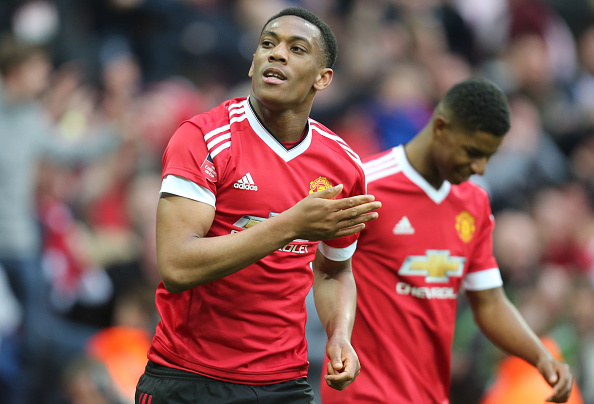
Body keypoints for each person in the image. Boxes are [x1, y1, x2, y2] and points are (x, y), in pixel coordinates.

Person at [134, 7, 381, 404]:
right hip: (190, 378)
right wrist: (289, 224)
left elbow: (335, 271)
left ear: (323, 78)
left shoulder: (343, 166)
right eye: (268, 44)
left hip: (285, 383)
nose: (276, 54)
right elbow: (177, 265)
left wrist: (339, 334)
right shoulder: (203, 139)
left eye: (296, 49)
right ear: (252, 65)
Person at [319, 77, 575, 404]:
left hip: (430, 395)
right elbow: (328, 272)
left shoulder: (475, 203)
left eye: (489, 157)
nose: (479, 167)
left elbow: (490, 303)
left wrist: (541, 357)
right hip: (362, 395)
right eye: (472, 152)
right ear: (441, 127)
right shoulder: (367, 184)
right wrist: (338, 337)